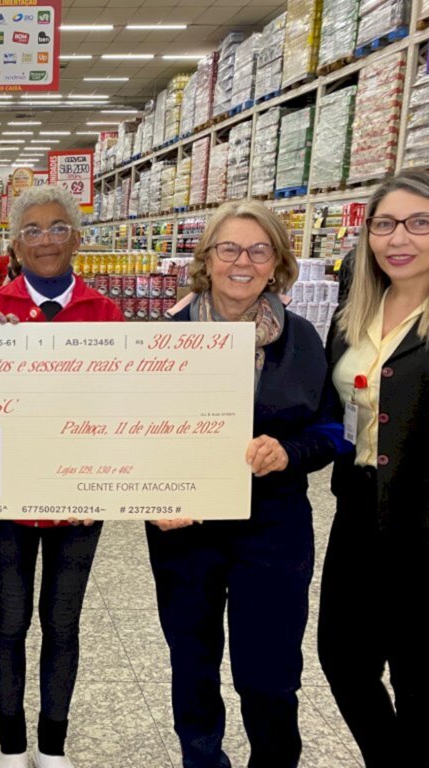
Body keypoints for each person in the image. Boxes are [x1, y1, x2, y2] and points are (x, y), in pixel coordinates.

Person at [147, 200, 344, 768]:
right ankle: (203, 760)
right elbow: (135, 438)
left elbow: (331, 429)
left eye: (259, 250)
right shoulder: (168, 337)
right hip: (186, 530)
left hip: (274, 528)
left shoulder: (303, 339)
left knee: (270, 672)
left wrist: (290, 451)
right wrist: (154, 495)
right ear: (206, 259)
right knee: (193, 662)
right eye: (228, 248)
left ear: (277, 263)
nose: (242, 261)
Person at [0, 186, 121, 768]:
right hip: (7, 491)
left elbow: (118, 403)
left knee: (63, 620)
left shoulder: (104, 312)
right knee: (9, 617)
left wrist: (103, 479)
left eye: (59, 228)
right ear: (14, 242)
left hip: (81, 495)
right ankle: (11, 746)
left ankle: (52, 746)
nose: (47, 240)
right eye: (32, 229)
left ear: (77, 238)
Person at [318, 168, 429, 768]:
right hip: (358, 511)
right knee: (342, 658)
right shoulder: (353, 314)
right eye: (384, 225)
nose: (398, 238)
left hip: (424, 518)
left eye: (419, 223)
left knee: (419, 672)